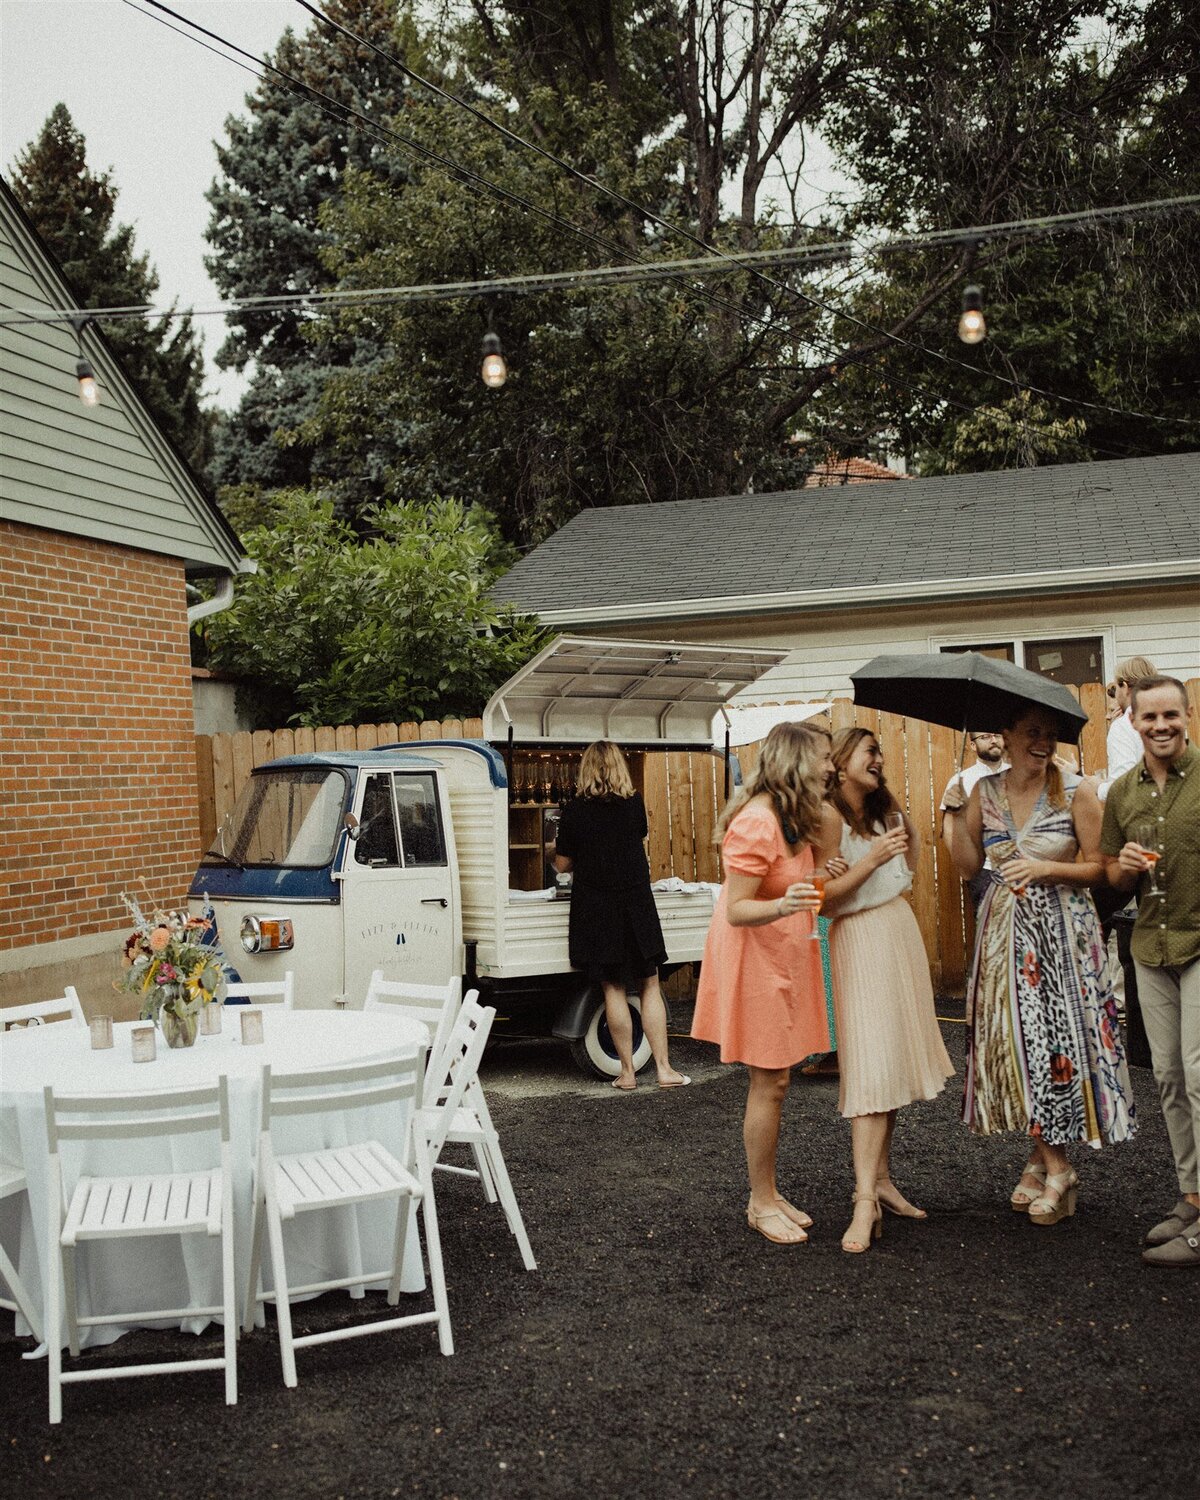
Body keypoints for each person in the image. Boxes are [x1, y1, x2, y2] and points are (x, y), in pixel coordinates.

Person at [943, 705, 1136, 1226]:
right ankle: (1044, 1162)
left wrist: (1047, 867)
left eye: (1049, 735)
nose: (1042, 743)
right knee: (1018, 1044)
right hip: (1003, 935)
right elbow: (967, 865)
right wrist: (955, 816)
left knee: (1057, 1046)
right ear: (1003, 736)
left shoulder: (1077, 792)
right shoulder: (983, 793)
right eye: (1032, 733)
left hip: (1063, 937)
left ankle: (1057, 1168)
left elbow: (1102, 867)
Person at [691, 722, 833, 1245]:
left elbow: (793, 883)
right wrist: (786, 902)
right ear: (796, 761)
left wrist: (814, 881)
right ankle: (759, 1201)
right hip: (754, 960)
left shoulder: (789, 817)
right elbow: (736, 908)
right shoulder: (756, 822)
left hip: (779, 955)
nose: (831, 766)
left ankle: (770, 1192)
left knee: (779, 1082)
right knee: (768, 1083)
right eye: (823, 757)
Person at [817, 727, 954, 1254]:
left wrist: (897, 850)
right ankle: (862, 1201)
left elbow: (910, 867)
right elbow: (825, 902)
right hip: (860, 937)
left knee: (890, 1064)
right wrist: (870, 861)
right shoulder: (830, 817)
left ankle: (881, 1180)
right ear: (844, 760)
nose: (880, 760)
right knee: (872, 1065)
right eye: (871, 751)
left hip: (897, 931)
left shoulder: (884, 813)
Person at [1100, 676, 1200, 1269]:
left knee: (1197, 1071)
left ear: (1187, 716)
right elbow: (1113, 878)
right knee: (1165, 1074)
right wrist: (1126, 866)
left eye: (1171, 715)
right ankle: (1191, 1196)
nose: (1160, 726)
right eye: (1149, 718)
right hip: (1150, 945)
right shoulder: (1121, 794)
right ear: (1132, 723)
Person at [553, 741, 688, 1092]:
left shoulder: (574, 811)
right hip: (636, 903)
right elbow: (634, 841)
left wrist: (554, 854)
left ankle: (627, 1074)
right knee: (649, 983)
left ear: (586, 769)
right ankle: (664, 1069)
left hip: (597, 907)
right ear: (619, 767)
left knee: (612, 987)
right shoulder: (634, 805)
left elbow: (564, 863)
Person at [939, 731, 1008, 911]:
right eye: (985, 737)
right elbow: (949, 829)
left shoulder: (1018, 775)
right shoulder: (961, 781)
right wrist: (969, 868)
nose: (993, 740)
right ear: (972, 745)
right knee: (990, 933)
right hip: (984, 872)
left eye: (997, 735)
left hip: (1020, 870)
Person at [1097, 655, 1157, 801]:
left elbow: (1123, 788)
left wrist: (1096, 786)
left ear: (1124, 687)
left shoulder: (1123, 727)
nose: (1116, 694)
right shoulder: (1169, 719)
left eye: (1116, 687)